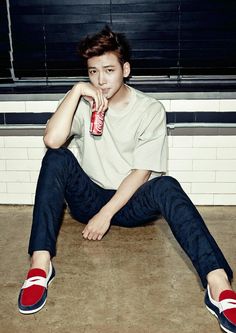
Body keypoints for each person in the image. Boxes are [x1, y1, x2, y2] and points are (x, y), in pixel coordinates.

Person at [18, 26, 236, 333]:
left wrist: (106, 215)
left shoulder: (149, 109)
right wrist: (77, 90)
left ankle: (218, 285)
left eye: (109, 70)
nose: (101, 80)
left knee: (167, 185)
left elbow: (141, 172)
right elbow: (53, 141)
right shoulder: (83, 103)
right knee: (57, 157)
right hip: (88, 199)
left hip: (129, 203)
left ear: (126, 70)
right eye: (93, 72)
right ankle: (40, 265)